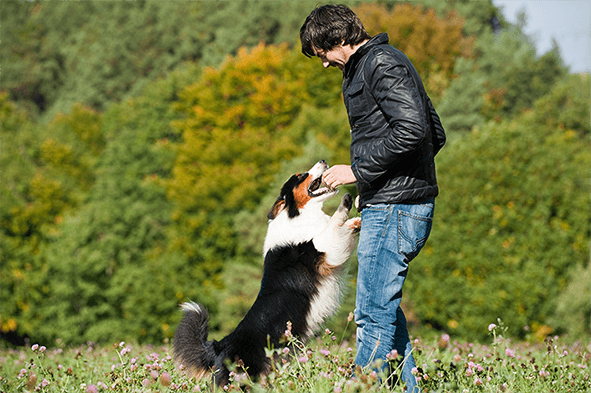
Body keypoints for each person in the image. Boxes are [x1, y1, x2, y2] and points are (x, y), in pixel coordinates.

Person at [300, 4, 446, 392]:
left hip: (397, 209)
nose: (325, 65)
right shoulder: (377, 64)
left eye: (323, 54)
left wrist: (360, 172)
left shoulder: (381, 64)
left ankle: (357, 389)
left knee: (371, 315)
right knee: (384, 312)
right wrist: (376, 187)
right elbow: (436, 134)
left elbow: (415, 131)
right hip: (391, 203)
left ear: (338, 39)